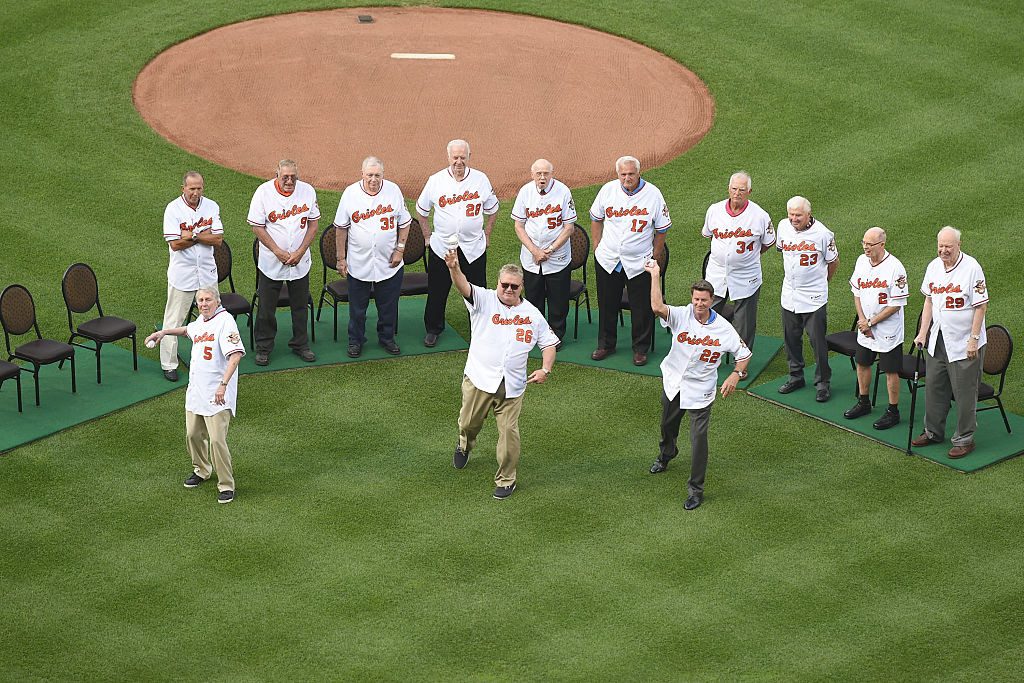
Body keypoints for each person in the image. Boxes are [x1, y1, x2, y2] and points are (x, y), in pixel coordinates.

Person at [445, 251, 558, 500]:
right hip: (479, 380)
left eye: (513, 286)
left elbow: (549, 344)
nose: (508, 289)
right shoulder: (483, 300)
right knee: (468, 423)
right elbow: (462, 285)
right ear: (498, 283)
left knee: (509, 434)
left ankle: (507, 480)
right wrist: (454, 267)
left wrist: (546, 369)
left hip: (513, 387)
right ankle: (465, 444)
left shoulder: (532, 314)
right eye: (504, 284)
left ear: (521, 286)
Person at [647, 270, 751, 511]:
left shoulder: (724, 329)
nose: (699, 304)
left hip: (702, 389)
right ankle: (666, 454)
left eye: (704, 300)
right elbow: (657, 307)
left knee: (699, 440)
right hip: (674, 382)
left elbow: (744, 355)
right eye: (696, 299)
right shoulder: (682, 315)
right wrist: (655, 275)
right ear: (691, 299)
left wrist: (735, 374)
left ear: (712, 300)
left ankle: (696, 490)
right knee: (667, 425)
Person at [146, 286, 245, 504]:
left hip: (217, 395)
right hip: (196, 391)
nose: (203, 304)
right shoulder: (201, 322)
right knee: (192, 435)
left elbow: (236, 355)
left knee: (217, 441)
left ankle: (226, 485)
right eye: (200, 300)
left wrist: (223, 385)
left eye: (208, 299)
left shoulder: (225, 321)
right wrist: (164, 332)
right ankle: (202, 470)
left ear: (217, 301)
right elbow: (187, 330)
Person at [911, 226, 988, 459]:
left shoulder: (972, 268)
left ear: (959, 246)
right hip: (938, 339)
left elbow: (980, 306)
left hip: (965, 342)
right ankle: (933, 432)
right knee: (934, 387)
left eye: (948, 247)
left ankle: (964, 439)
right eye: (940, 246)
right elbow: (929, 301)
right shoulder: (934, 266)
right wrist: (923, 332)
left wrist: (974, 340)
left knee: (965, 392)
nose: (943, 251)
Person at [589, 155, 671, 366]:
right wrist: (597, 246)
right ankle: (606, 344)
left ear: (639, 173)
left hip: (639, 262)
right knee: (607, 303)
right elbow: (596, 218)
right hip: (609, 260)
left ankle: (640, 349)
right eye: (623, 174)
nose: (627, 178)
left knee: (641, 307)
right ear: (618, 174)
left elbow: (661, 230)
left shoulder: (653, 194)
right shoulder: (607, 190)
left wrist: (654, 256)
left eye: (631, 174)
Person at [416, 139, 499, 347]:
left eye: (463, 157)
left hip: (474, 246)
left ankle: (480, 329)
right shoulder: (435, 180)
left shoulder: (480, 179)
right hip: (442, 246)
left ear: (469, 157)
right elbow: (421, 211)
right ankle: (433, 329)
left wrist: (487, 234)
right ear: (448, 157)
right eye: (455, 157)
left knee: (477, 291)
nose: (459, 162)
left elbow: (493, 209)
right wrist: (427, 237)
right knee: (437, 289)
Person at [332, 156, 412, 357]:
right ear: (362, 175)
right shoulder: (350, 193)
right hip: (359, 262)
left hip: (389, 262)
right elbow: (341, 229)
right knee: (357, 309)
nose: (373, 179)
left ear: (383, 174)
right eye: (369, 175)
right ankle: (355, 341)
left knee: (388, 305)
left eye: (377, 175)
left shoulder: (393, 190)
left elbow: (405, 223)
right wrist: (341, 258)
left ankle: (387, 338)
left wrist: (400, 249)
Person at [247, 159, 321, 366]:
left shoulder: (307, 191)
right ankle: (264, 347)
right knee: (266, 308)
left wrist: (300, 251)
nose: (289, 181)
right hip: (271, 261)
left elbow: (313, 226)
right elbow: (257, 227)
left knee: (300, 306)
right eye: (285, 177)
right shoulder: (263, 192)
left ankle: (301, 344)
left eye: (293, 177)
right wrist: (278, 251)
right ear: (277, 174)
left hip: (300, 260)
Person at [701, 171, 775, 353]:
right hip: (716, 273)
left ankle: (741, 360)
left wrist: (746, 258)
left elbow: (768, 243)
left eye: (742, 189)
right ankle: (707, 353)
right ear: (728, 189)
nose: (737, 193)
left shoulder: (760, 216)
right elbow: (708, 235)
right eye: (734, 189)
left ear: (750, 191)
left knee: (745, 323)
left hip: (746, 275)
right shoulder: (714, 210)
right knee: (707, 314)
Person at [160, 171, 223, 382]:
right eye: (192, 188)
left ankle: (212, 359)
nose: (196, 192)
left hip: (206, 273)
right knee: (173, 319)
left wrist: (193, 235)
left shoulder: (212, 206)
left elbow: (218, 240)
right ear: (183, 188)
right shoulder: (173, 209)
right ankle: (168, 364)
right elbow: (175, 244)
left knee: (212, 318)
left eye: (199, 188)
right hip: (183, 275)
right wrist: (203, 235)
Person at [843, 227, 909, 430]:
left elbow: (896, 303)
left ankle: (893, 411)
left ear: (882, 244)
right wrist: (863, 321)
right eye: (863, 242)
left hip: (888, 329)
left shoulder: (895, 268)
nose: (865, 247)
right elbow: (857, 293)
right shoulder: (861, 261)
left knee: (890, 370)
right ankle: (864, 402)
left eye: (870, 244)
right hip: (866, 328)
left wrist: (872, 322)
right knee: (862, 362)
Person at [776, 196, 839, 402]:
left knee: (817, 343)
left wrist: (822, 282)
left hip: (814, 298)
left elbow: (833, 262)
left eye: (798, 215)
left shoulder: (822, 234)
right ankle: (795, 376)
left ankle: (823, 383)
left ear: (808, 214)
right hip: (789, 295)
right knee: (791, 339)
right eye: (791, 214)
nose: (794, 218)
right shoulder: (783, 227)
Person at [511, 158, 577, 344]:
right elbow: (519, 226)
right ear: (532, 174)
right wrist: (534, 250)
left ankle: (555, 336)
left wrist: (548, 250)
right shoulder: (525, 192)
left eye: (546, 173)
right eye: (538, 173)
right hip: (531, 258)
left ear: (552, 174)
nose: (542, 177)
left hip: (558, 257)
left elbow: (569, 228)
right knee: (533, 299)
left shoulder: (563, 191)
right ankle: (535, 334)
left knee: (558, 301)